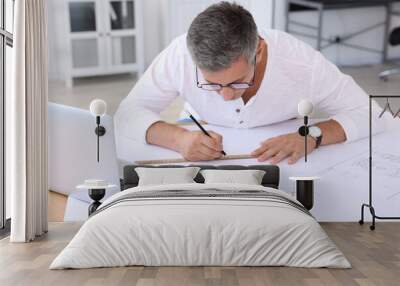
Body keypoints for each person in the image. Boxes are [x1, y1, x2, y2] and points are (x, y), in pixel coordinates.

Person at [114, 2, 385, 164]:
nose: (226, 96)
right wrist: (179, 139)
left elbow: (370, 113)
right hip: (203, 160)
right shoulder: (179, 54)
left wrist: (312, 136)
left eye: (237, 82)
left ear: (259, 51)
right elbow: (128, 113)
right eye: (212, 85)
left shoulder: (302, 63)